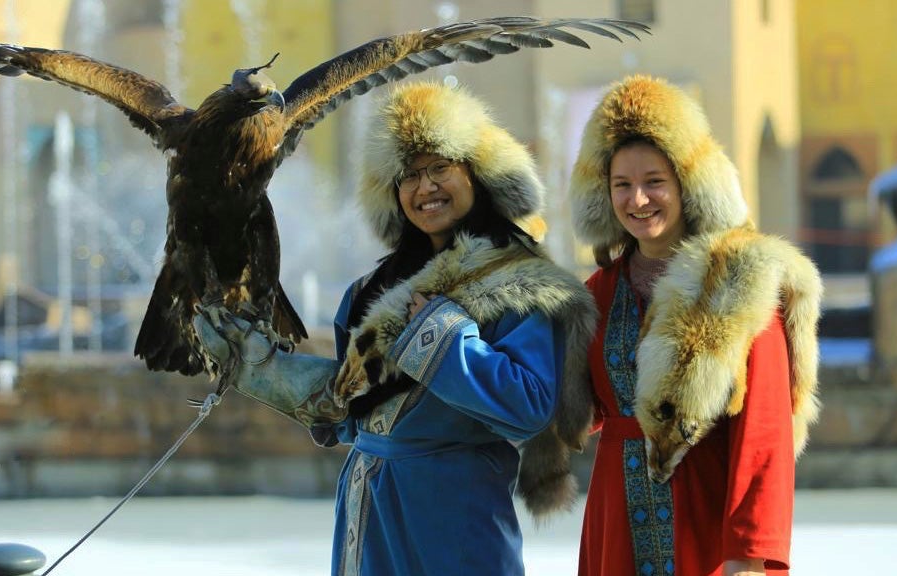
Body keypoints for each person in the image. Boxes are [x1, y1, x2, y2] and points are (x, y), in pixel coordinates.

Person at [194, 82, 597, 576]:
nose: (424, 187)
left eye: (440, 168)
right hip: (369, 504)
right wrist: (268, 372)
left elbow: (530, 409)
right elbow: (352, 411)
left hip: (454, 510)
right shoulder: (370, 290)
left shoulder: (520, 281)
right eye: (408, 175)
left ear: (478, 173)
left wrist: (443, 337)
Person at [568, 75, 823, 576]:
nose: (638, 200)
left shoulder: (739, 280)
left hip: (707, 525)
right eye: (622, 185)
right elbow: (570, 408)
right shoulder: (596, 293)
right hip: (614, 523)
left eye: (654, 182)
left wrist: (749, 550)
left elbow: (764, 430)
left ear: (687, 183)